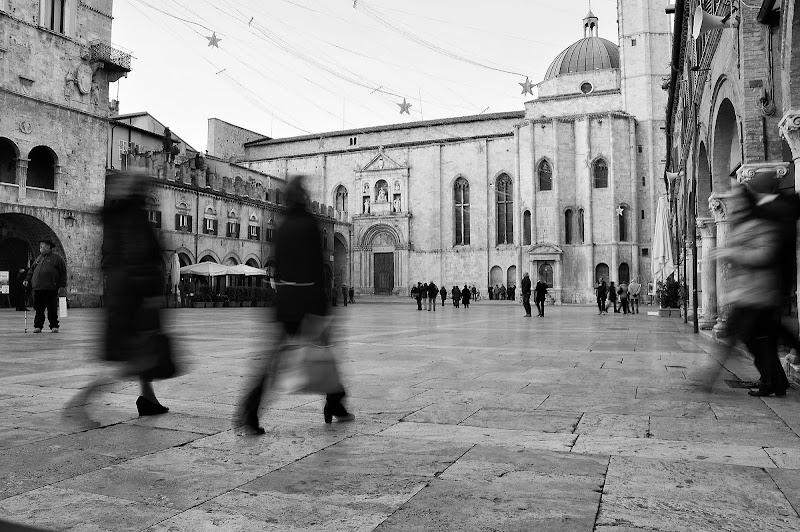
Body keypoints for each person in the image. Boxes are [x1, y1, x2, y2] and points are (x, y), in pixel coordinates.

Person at [238, 175, 353, 434]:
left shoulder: (282, 226)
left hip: (286, 302)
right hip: (308, 301)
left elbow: (277, 265)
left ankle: (250, 411)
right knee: (324, 355)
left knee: (271, 361)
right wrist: (325, 304)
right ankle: (334, 401)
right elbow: (316, 268)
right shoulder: (310, 225)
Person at [63, 172, 175, 426]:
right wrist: (153, 296)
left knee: (143, 353)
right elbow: (141, 260)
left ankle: (149, 400)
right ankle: (78, 405)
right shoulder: (133, 218)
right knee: (134, 359)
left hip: (122, 296)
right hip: (135, 301)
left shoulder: (117, 218)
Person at [711, 182, 790, 397]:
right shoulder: (745, 223)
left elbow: (764, 255)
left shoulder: (759, 223)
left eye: (736, 200)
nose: (733, 204)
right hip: (748, 293)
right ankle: (776, 382)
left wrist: (731, 254)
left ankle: (769, 382)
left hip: (758, 293)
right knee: (760, 341)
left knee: (755, 340)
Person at [23, 239, 67, 333]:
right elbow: (31, 270)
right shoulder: (38, 258)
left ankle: (54, 325)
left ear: (49, 247)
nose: (41, 248)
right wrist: (27, 279)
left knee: (52, 308)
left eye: (43, 246)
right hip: (38, 288)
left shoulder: (57, 258)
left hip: (51, 288)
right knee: (39, 308)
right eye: (40, 246)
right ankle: (38, 326)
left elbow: (63, 272)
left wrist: (62, 285)